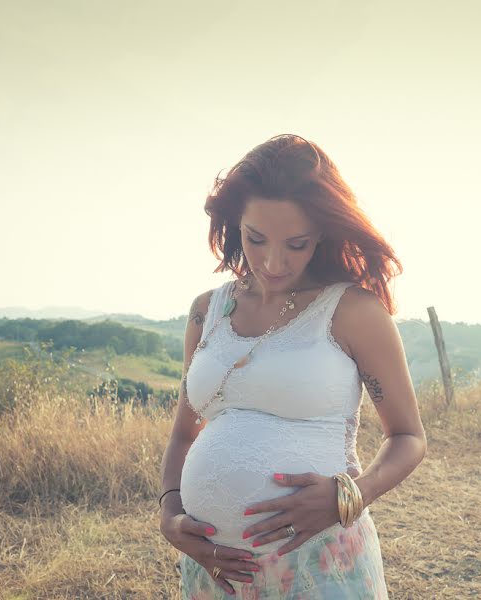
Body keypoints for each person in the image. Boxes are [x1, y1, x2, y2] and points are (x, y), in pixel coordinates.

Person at [158, 134, 427, 599]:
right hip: (215, 574)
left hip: (318, 566)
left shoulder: (352, 310)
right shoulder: (208, 311)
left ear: (321, 232)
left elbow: (408, 438)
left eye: (296, 244)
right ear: (235, 223)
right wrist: (170, 515)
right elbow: (185, 433)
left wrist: (350, 496)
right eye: (255, 238)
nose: (273, 262)